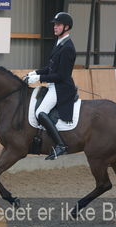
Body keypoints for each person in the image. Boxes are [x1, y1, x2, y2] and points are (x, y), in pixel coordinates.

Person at [26, 12, 77, 160]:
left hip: (61, 88)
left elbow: (61, 75)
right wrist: (35, 72)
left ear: (66, 27)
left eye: (58, 25)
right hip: (53, 85)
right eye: (55, 24)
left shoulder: (68, 47)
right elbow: (50, 68)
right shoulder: (59, 43)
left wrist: (39, 78)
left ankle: (60, 145)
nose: (55, 27)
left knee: (40, 112)